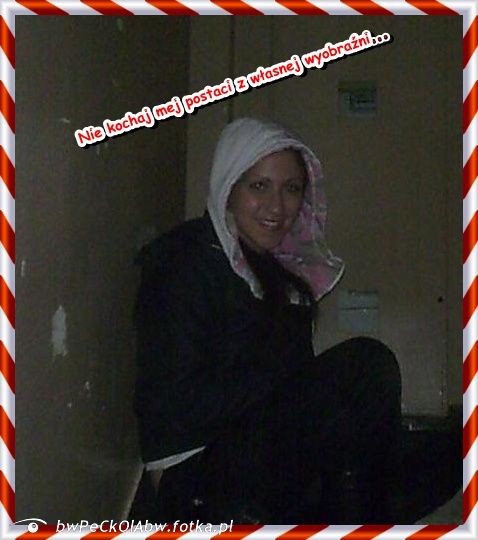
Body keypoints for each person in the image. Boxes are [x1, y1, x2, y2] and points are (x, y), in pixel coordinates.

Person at [134, 117, 402, 524]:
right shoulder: (184, 262)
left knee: (443, 457)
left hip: (256, 455)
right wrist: (277, 373)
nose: (277, 207)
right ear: (229, 187)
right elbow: (175, 409)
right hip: (195, 477)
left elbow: (287, 391)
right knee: (366, 364)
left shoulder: (277, 274)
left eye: (291, 189)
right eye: (259, 186)